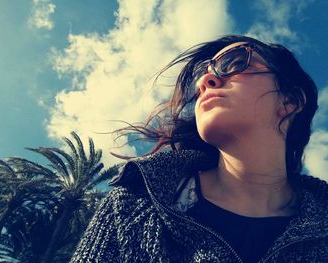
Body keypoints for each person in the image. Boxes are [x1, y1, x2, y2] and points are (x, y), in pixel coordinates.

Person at [70, 35, 328, 263]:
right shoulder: (132, 205)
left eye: (235, 62)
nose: (205, 80)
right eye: (203, 73)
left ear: (290, 101)